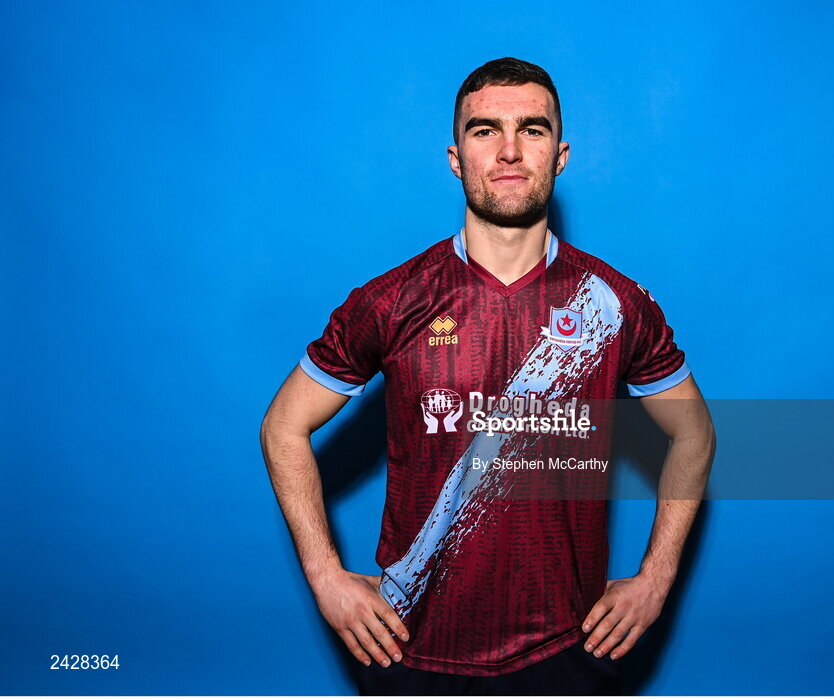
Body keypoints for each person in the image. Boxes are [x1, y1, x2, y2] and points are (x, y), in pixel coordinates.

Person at [260, 57, 715, 695]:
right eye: (484, 131)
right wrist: (325, 576)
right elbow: (282, 426)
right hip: (412, 649)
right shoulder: (392, 301)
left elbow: (694, 434)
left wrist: (656, 578)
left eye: (532, 129)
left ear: (560, 156)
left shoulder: (612, 304)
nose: (508, 150)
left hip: (568, 647)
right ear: (456, 158)